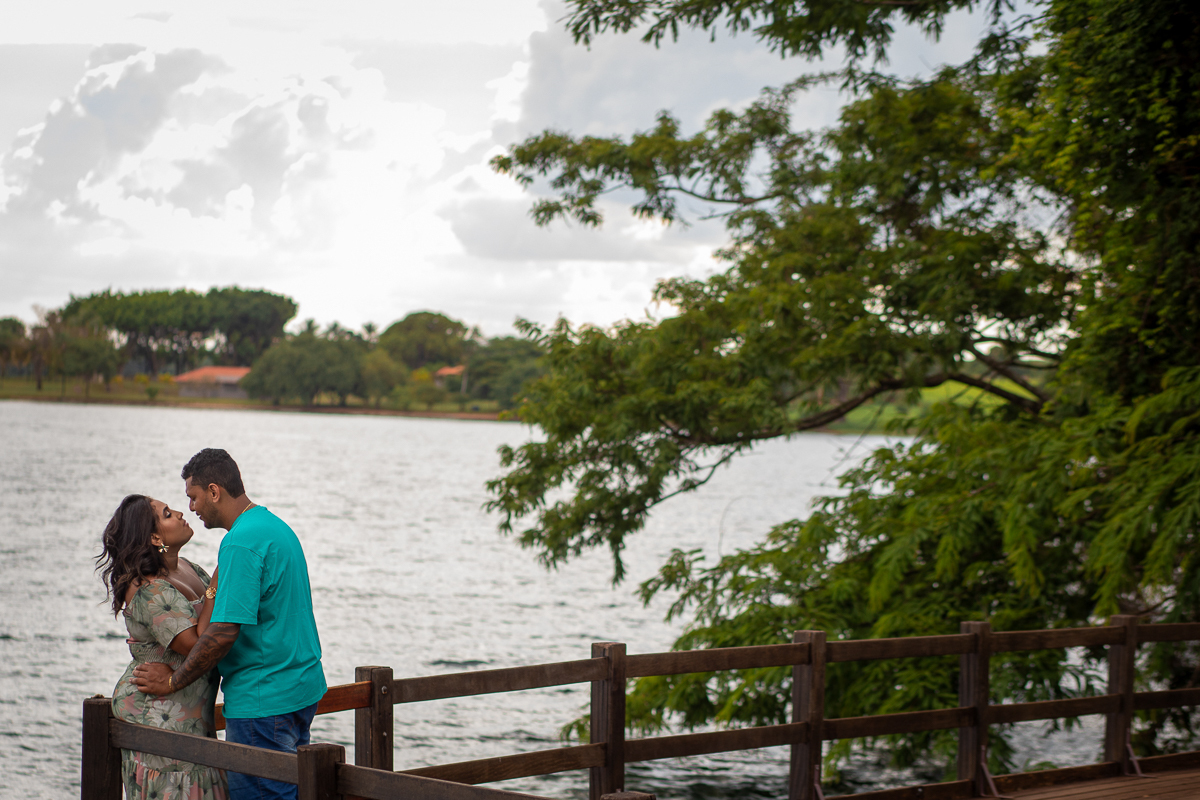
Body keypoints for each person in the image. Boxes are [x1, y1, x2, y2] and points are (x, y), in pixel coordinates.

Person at [133, 448, 327, 800]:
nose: (191, 507)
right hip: (301, 689)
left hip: (264, 699)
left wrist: (174, 680)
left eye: (192, 497)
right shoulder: (273, 527)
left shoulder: (240, 542)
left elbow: (222, 633)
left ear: (214, 491)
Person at [98, 493, 229, 800]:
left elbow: (219, 619)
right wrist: (218, 580)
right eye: (168, 513)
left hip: (192, 715)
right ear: (155, 537)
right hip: (159, 717)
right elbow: (195, 645)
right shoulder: (148, 588)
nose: (182, 514)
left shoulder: (189, 568)